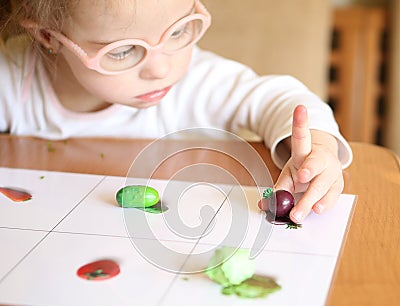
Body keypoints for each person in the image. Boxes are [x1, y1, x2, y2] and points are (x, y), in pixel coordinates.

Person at [0, 0, 352, 224]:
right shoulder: (12, 79)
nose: (160, 69)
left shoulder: (197, 83)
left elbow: (277, 98)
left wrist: (318, 148)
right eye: (123, 52)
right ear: (49, 36)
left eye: (179, 31)